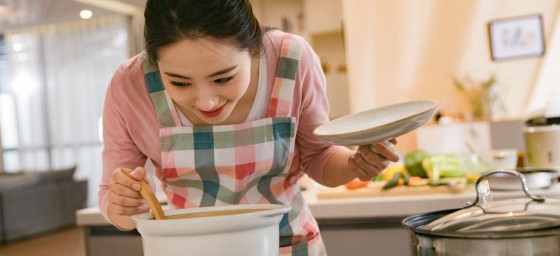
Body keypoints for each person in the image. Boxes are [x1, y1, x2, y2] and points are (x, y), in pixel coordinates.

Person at [99, 0, 399, 255]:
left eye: (223, 78)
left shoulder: (290, 60)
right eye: (179, 83)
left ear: (254, 47)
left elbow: (318, 158)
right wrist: (124, 204)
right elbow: (113, 200)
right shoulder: (130, 85)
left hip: (284, 245)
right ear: (153, 61)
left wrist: (355, 164)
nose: (206, 101)